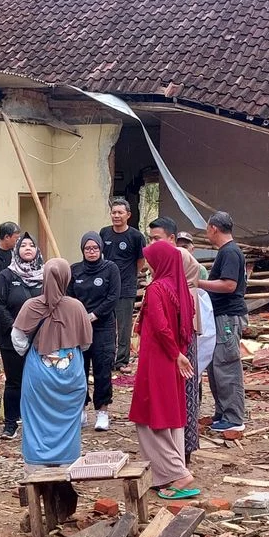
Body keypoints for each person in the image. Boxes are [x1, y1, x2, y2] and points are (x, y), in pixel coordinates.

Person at [13, 258, 93, 523]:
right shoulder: (77, 307)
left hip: (39, 376)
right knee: (67, 425)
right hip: (70, 375)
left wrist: (40, 353)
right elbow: (85, 343)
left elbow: (18, 340)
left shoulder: (31, 306)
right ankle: (64, 480)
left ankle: (37, 478)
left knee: (36, 424)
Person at [130, 241, 198, 499]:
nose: (146, 263)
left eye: (149, 259)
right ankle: (169, 474)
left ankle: (177, 474)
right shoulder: (181, 289)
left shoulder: (157, 288)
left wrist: (174, 353)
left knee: (150, 416)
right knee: (170, 415)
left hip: (158, 359)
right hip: (173, 360)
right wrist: (179, 355)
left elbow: (160, 326)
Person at [0, 233, 43, 439]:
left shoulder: (45, 274)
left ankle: (37, 422)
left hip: (41, 339)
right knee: (14, 381)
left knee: (40, 380)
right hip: (11, 338)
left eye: (32, 245)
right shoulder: (7, 276)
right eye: (23, 245)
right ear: (16, 250)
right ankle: (11, 423)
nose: (28, 248)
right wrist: (15, 329)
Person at [198, 211, 248, 432]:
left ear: (213, 228)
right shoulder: (226, 252)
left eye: (207, 229)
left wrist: (198, 283)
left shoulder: (230, 252)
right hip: (220, 316)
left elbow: (229, 285)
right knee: (216, 365)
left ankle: (234, 418)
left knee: (227, 365)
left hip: (228, 317)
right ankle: (222, 412)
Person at [68, 232, 120, 431]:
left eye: (95, 248)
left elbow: (113, 297)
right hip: (79, 328)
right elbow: (69, 296)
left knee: (102, 369)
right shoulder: (75, 270)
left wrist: (94, 315)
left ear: (100, 249)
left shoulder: (110, 269)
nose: (91, 252)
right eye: (88, 248)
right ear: (82, 250)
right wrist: (80, 317)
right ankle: (81, 409)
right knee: (78, 370)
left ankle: (102, 411)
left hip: (103, 326)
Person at [100, 198, 146, 370]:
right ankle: (107, 358)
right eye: (114, 212)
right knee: (107, 323)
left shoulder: (135, 236)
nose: (116, 216)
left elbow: (140, 261)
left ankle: (122, 361)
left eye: (120, 213)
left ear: (128, 215)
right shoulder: (104, 233)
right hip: (106, 287)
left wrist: (130, 276)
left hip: (126, 286)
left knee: (124, 325)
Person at [180, 248, 205, 464]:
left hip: (181, 356)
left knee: (185, 399)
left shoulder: (185, 293)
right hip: (188, 356)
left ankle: (183, 451)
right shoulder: (191, 291)